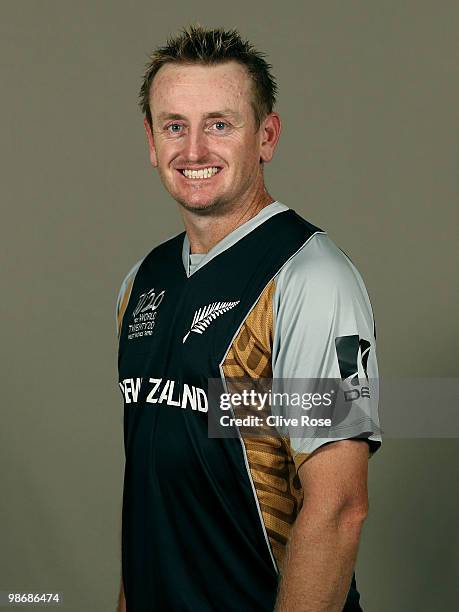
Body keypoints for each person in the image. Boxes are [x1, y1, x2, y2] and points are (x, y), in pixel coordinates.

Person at [115, 25, 381, 612]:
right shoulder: (143, 281)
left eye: (219, 124)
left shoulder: (310, 280)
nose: (194, 151)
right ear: (151, 141)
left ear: (266, 135)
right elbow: (154, 495)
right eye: (174, 126)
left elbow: (339, 508)